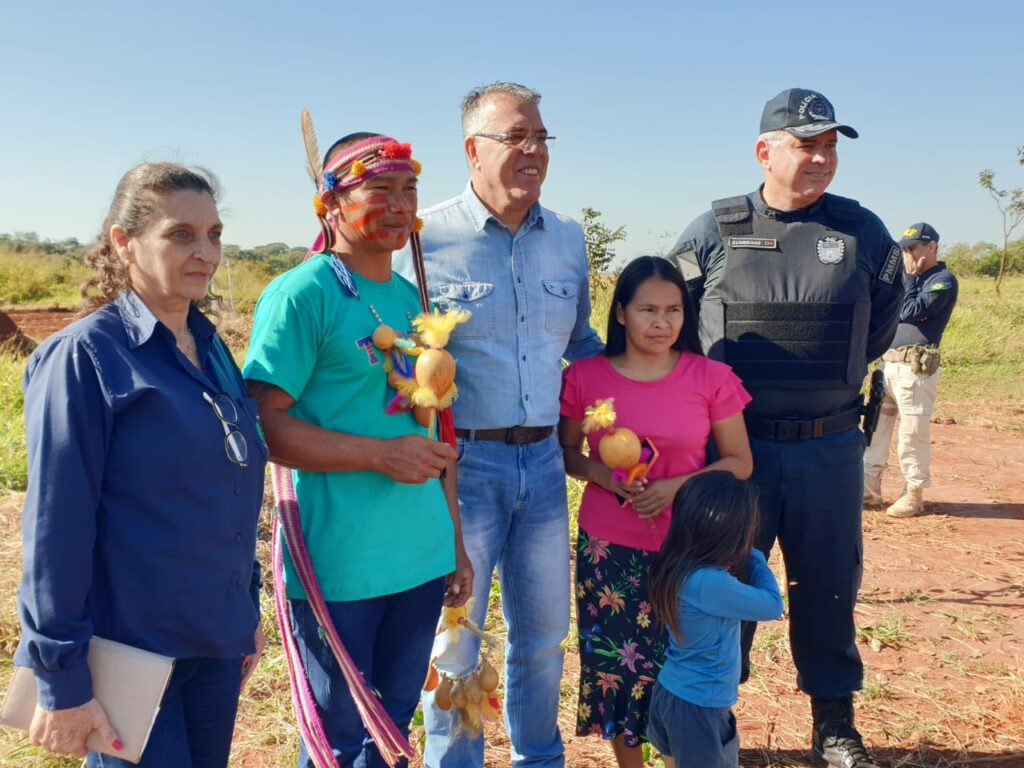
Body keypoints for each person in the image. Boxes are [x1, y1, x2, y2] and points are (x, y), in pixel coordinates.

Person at [669, 88, 903, 768]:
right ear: (765, 151)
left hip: (829, 448)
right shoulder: (713, 231)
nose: (822, 158)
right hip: (736, 452)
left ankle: (834, 723)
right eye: (808, 144)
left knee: (830, 584)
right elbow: (667, 322)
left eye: (831, 146)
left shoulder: (864, 232)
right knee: (720, 586)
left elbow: (879, 328)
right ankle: (712, 718)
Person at [15, 162, 267, 766]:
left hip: (214, 640)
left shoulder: (211, 350)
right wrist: (63, 680)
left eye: (214, 234)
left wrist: (245, 609)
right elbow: (55, 531)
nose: (204, 251)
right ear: (123, 242)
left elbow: (226, 491)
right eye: (181, 234)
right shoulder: (84, 358)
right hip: (130, 654)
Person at [243, 132, 473, 768]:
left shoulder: (410, 301)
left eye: (409, 190)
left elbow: (435, 433)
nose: (400, 206)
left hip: (421, 555)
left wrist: (453, 542)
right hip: (339, 561)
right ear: (331, 203)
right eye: (380, 190)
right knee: (338, 734)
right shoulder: (300, 295)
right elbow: (265, 424)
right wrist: (379, 455)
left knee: (394, 728)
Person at [395, 82, 604, 768]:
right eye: (515, 136)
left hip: (543, 465)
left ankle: (538, 758)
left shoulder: (568, 240)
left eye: (541, 136)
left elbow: (582, 346)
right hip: (464, 468)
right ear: (472, 149)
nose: (532, 150)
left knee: (543, 635)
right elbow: (394, 359)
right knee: (457, 638)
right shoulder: (421, 241)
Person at [558, 256, 753, 768]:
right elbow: (567, 452)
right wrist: (606, 477)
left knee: (679, 670)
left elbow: (739, 462)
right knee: (619, 669)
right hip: (609, 546)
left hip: (688, 550)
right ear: (621, 313)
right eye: (647, 309)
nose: (662, 322)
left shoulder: (710, 377)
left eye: (673, 310)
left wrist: (673, 488)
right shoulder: (584, 377)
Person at [646, 471, 784, 768]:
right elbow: (773, 606)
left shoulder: (676, 565)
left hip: (671, 694)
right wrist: (756, 557)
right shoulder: (709, 583)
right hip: (700, 708)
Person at [864, 223, 958, 518]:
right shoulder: (906, 279)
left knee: (912, 432)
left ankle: (913, 493)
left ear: (932, 247)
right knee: (875, 430)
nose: (908, 254)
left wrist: (909, 278)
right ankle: (868, 490)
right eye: (905, 248)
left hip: (915, 369)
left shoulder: (942, 280)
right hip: (889, 365)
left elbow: (909, 311)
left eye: (913, 247)